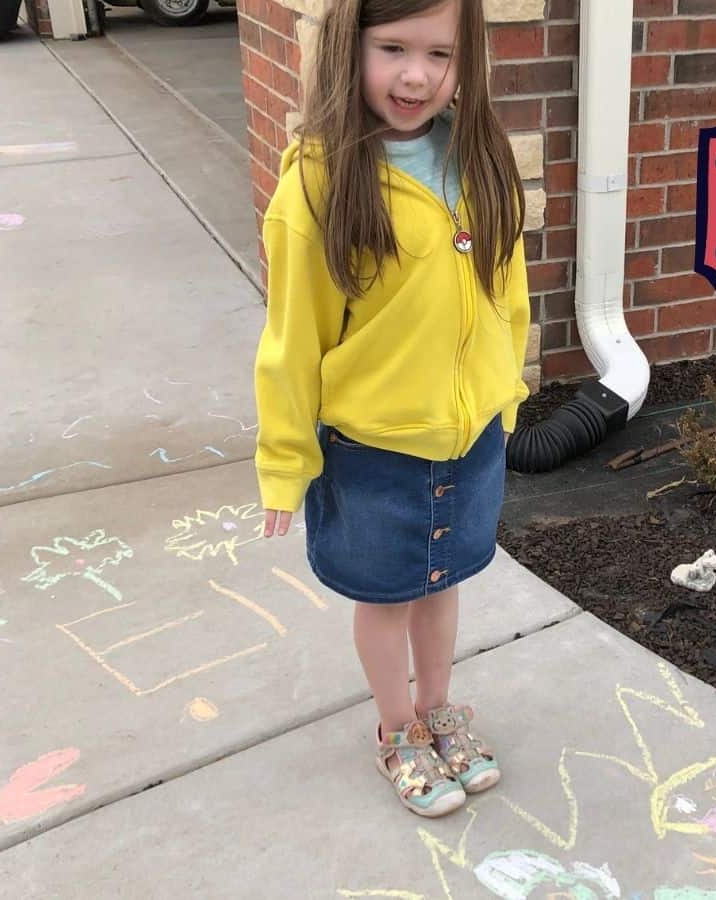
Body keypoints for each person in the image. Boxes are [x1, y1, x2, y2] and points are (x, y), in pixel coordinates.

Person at [252, 0, 530, 818]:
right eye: (394, 48)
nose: (417, 74)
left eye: (440, 54)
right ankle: (397, 727)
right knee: (387, 596)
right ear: (352, 47)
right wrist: (284, 464)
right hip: (374, 449)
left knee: (441, 582)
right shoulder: (318, 181)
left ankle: (440, 707)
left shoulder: (479, 158)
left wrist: (503, 394)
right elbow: (290, 343)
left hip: (468, 434)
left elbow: (507, 294)